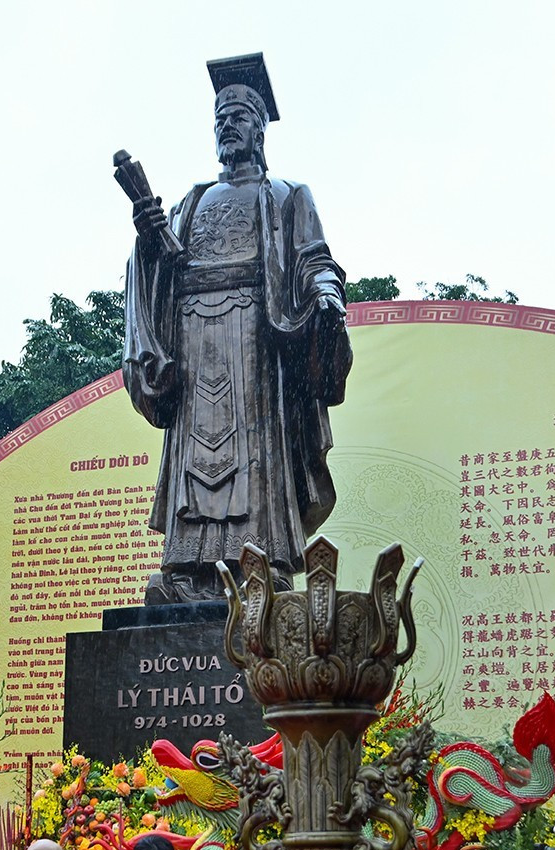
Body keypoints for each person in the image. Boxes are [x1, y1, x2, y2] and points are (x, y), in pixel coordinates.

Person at [122, 53, 352, 604]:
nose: (228, 125)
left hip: (256, 336)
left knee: (254, 452)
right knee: (195, 456)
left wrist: (324, 293)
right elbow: (155, 273)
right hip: (195, 339)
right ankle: (187, 570)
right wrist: (150, 244)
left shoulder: (286, 195)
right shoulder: (192, 200)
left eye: (239, 117)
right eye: (220, 118)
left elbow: (314, 259)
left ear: (260, 130)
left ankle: (261, 562)